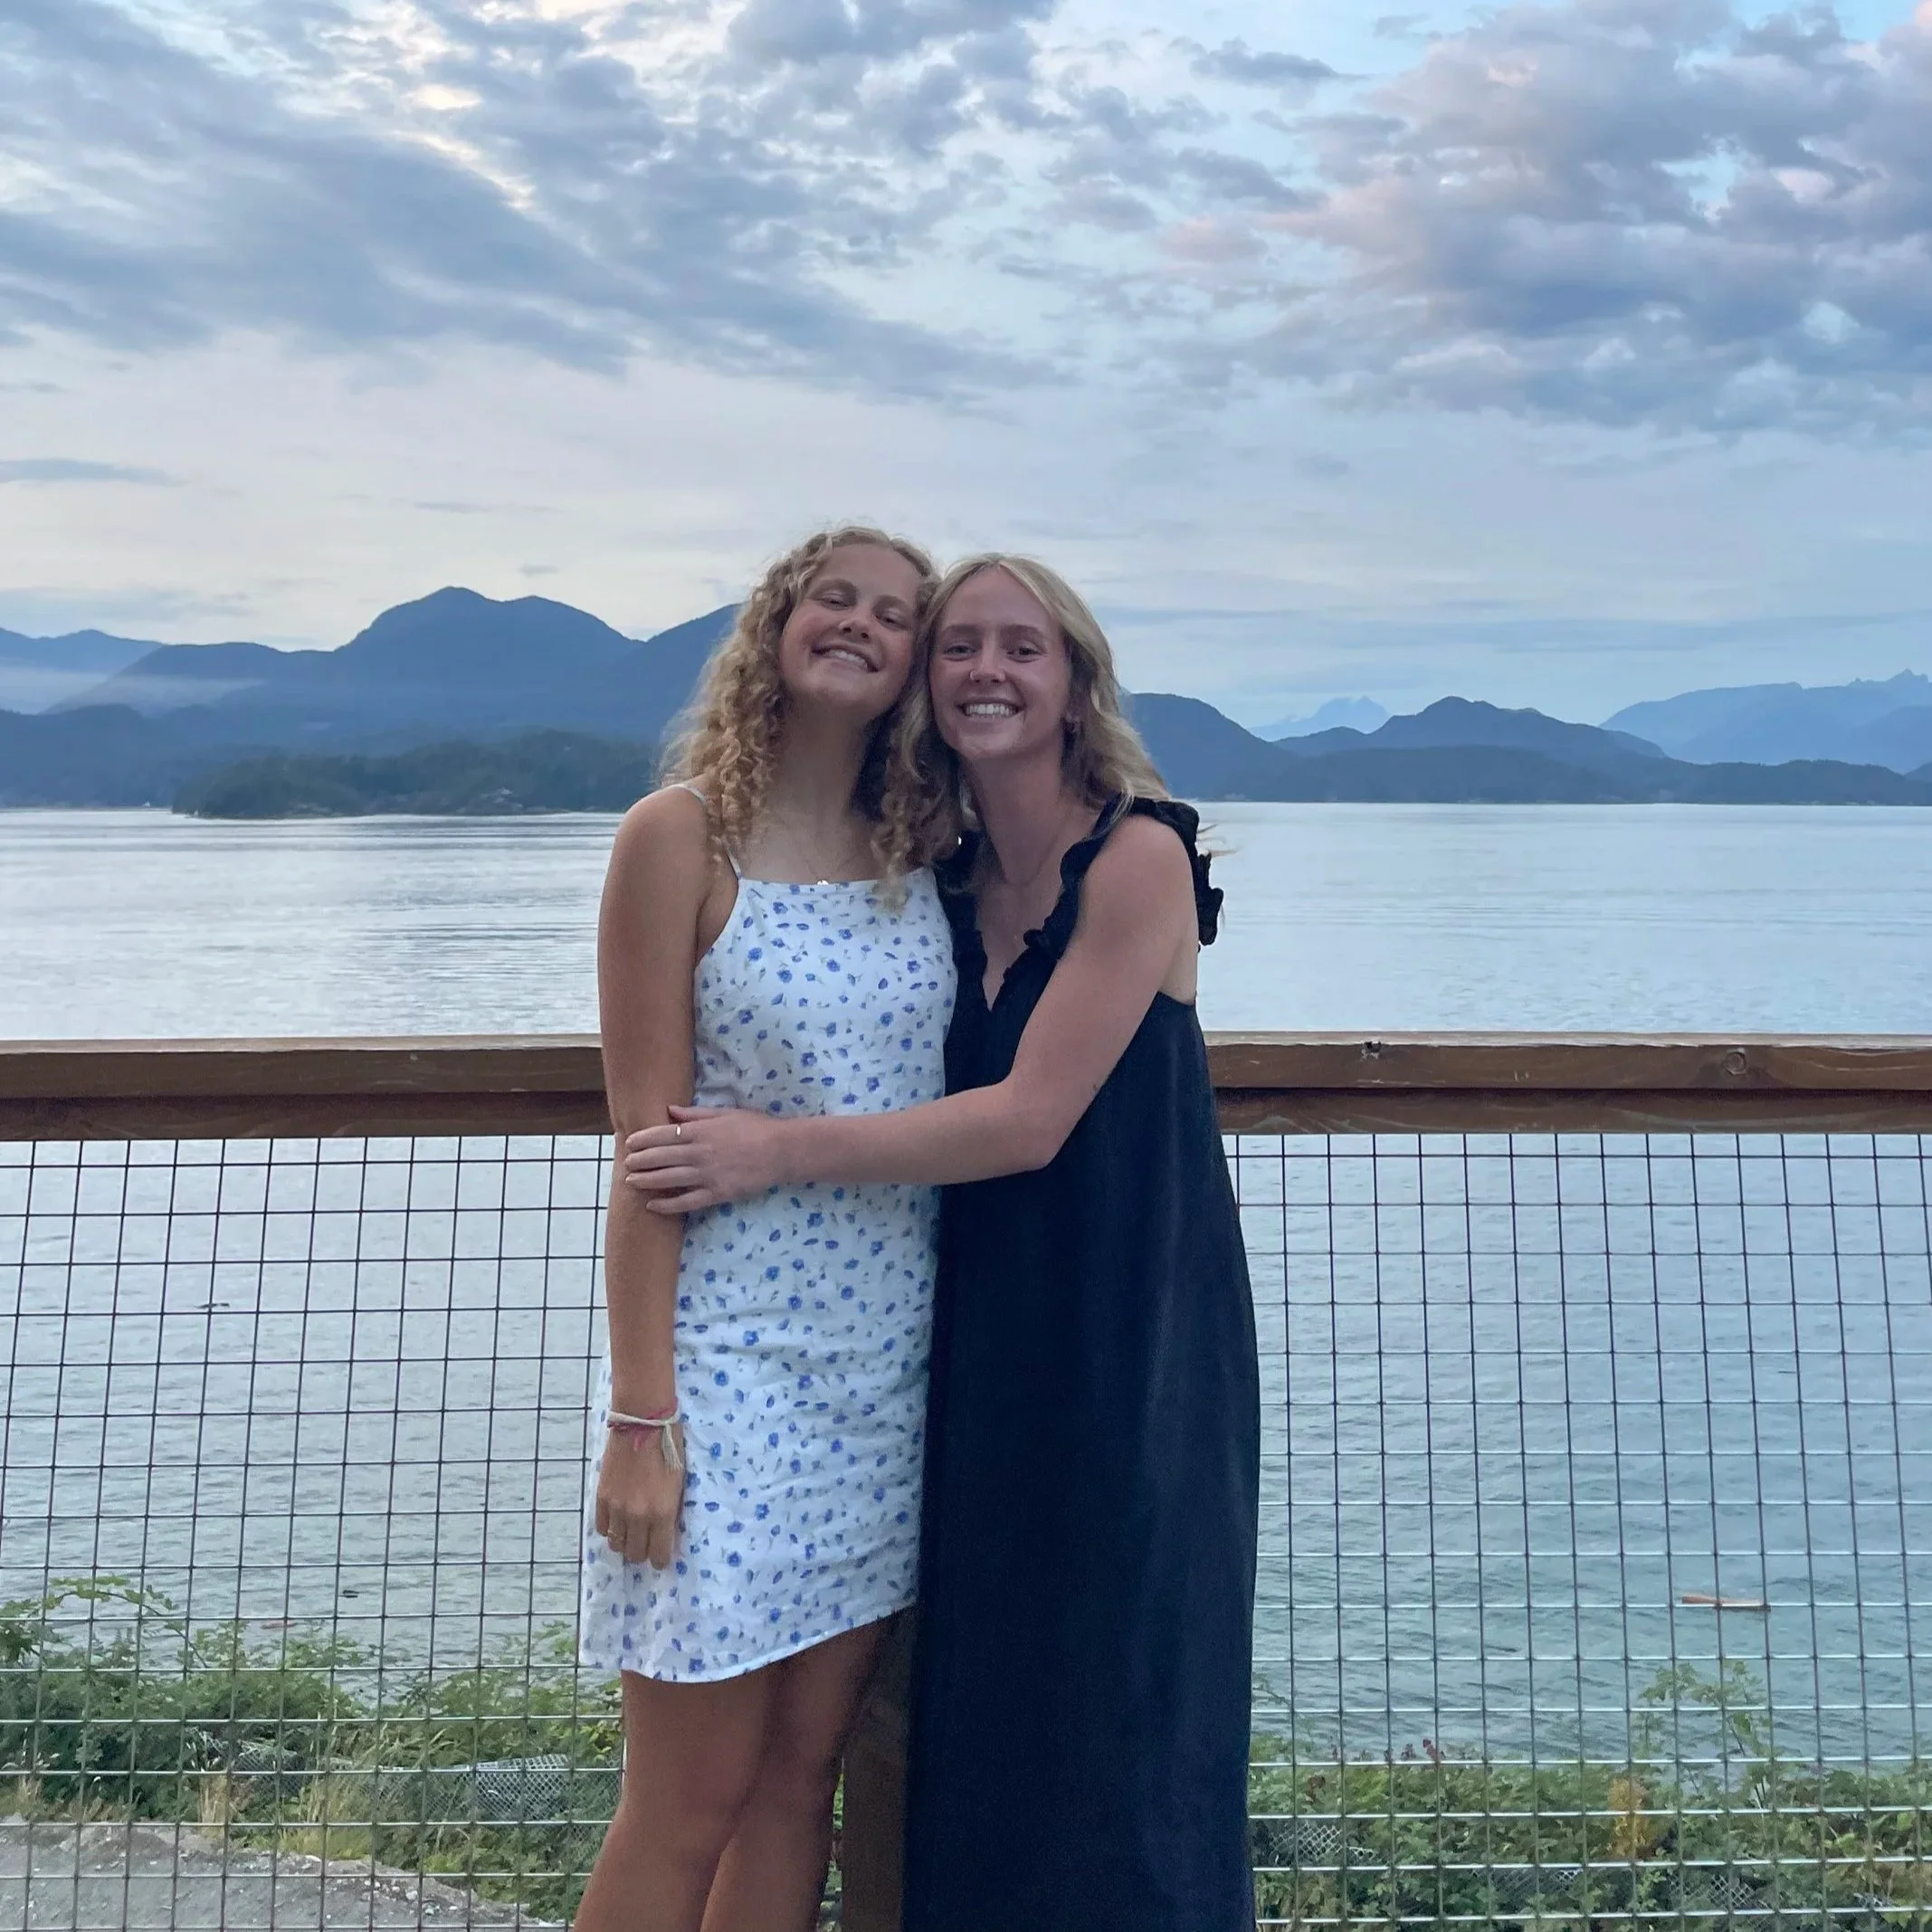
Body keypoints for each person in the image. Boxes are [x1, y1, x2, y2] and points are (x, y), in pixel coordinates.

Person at [623, 554, 1261, 1931]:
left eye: (1019, 647)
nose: (985, 668)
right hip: (958, 1344)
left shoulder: (1137, 855)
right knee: (967, 1713)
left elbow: (1029, 1119)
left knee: (1122, 1703)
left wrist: (769, 1147)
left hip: (1122, 1343)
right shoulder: (938, 869)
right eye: (959, 643)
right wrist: (639, 1407)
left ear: (1075, 681)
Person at [574, 526, 958, 1932]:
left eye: (896, 614)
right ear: (777, 624)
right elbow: (648, 1152)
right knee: (687, 1800)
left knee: (804, 1785)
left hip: (880, 1380)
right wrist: (639, 1417)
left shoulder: (919, 849)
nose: (860, 624)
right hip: (724, 1379)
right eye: (833, 598)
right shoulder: (678, 836)